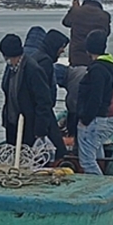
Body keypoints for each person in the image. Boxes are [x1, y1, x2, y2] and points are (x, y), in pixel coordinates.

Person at [76, 30, 113, 175]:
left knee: (86, 160)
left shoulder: (97, 70)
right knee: (94, 149)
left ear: (88, 48)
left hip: (93, 120)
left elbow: (95, 97)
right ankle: (103, 173)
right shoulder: (105, 67)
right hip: (99, 118)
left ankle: (97, 186)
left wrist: (86, 119)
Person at [0, 33, 57, 152]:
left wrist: (40, 130)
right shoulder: (10, 69)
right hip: (12, 123)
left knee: (28, 157)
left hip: (29, 125)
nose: (6, 60)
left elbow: (44, 101)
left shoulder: (33, 69)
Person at [31, 28, 70, 158]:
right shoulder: (45, 62)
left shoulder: (36, 57)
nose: (63, 50)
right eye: (62, 47)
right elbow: (42, 95)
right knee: (59, 151)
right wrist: (41, 128)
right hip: (43, 113)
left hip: (39, 113)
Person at [62, 0, 111, 67]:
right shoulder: (105, 16)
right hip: (96, 59)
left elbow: (66, 22)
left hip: (76, 57)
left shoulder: (77, 12)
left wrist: (73, 8)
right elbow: (107, 33)